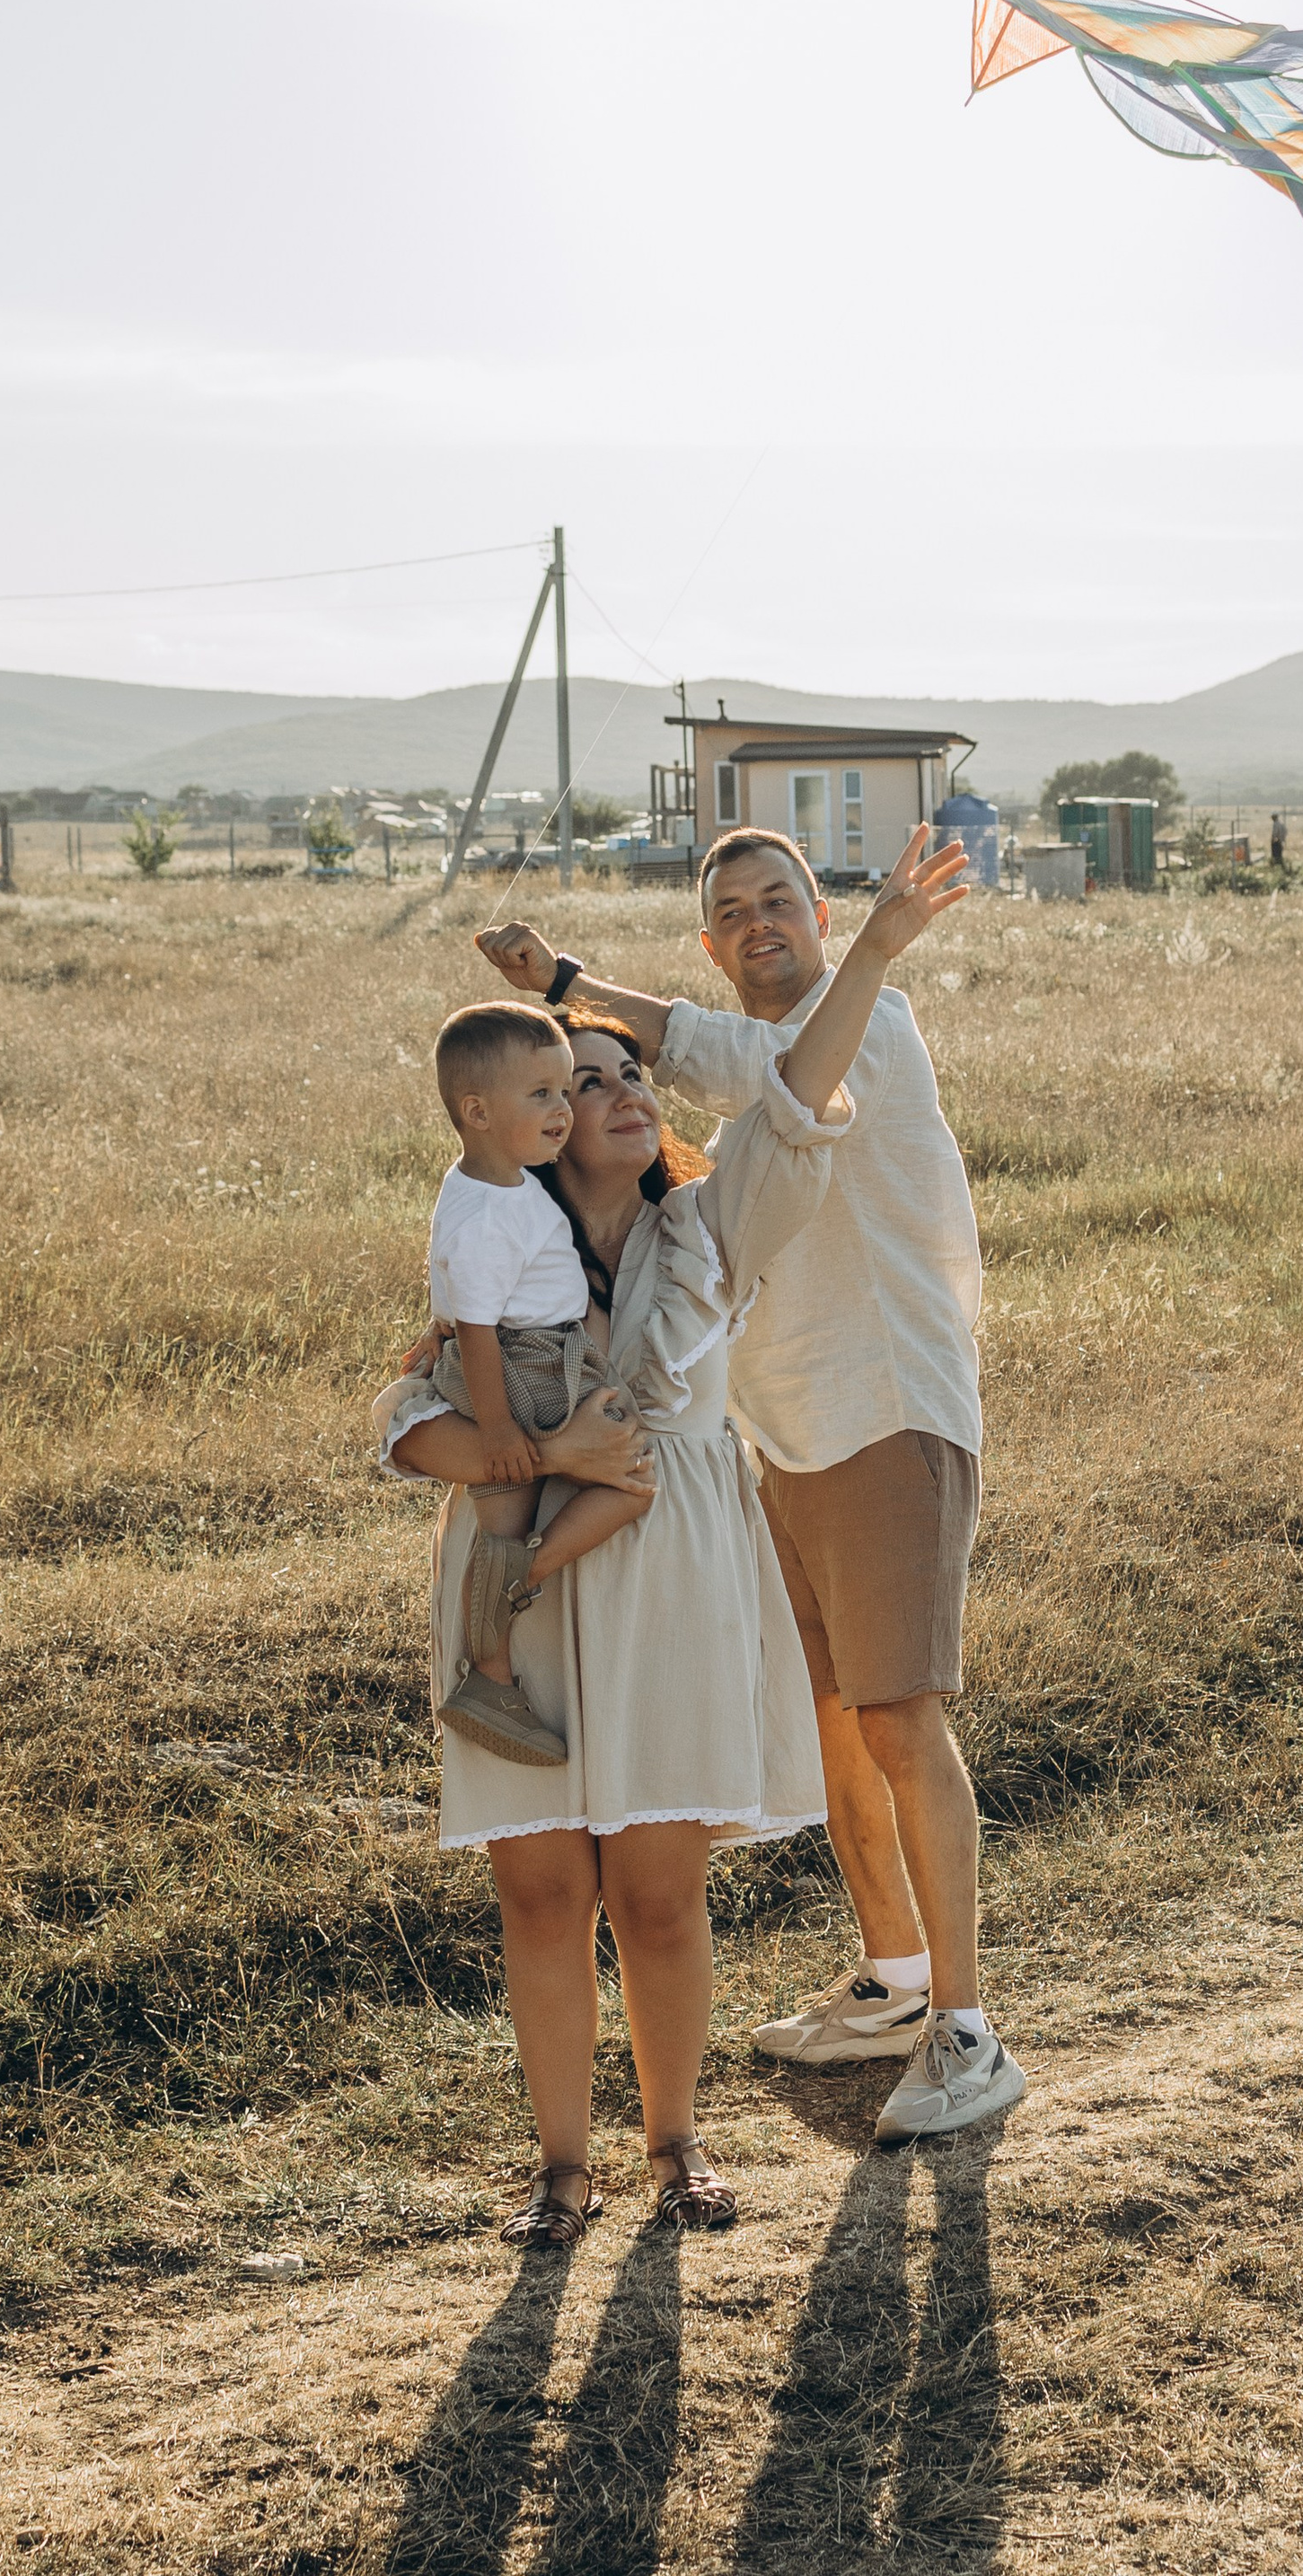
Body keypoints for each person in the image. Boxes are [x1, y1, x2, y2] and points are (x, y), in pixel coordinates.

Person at [381, 831, 967, 2241]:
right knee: (539, 1892)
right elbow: (410, 1423)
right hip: (519, 1602)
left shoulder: (710, 1227)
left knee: (656, 1894)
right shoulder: (496, 1256)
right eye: (586, 1082)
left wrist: (876, 948)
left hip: (673, 1594)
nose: (624, 1090)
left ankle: (675, 2146)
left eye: (632, 1072)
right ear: (534, 1120)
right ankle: (559, 2169)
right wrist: (536, 1452)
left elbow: (795, 1098)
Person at [424, 1000, 658, 1769]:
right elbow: (482, 1331)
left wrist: (439, 1330)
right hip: (528, 1369)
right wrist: (499, 1430)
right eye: (545, 1094)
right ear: (478, 1110)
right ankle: (526, 1577)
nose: (560, 1110)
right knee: (628, 1480)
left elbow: (460, 1297)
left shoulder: (489, 1183)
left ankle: (490, 1672)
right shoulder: (492, 1213)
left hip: (530, 1355)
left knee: (499, 1526)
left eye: (565, 1092)